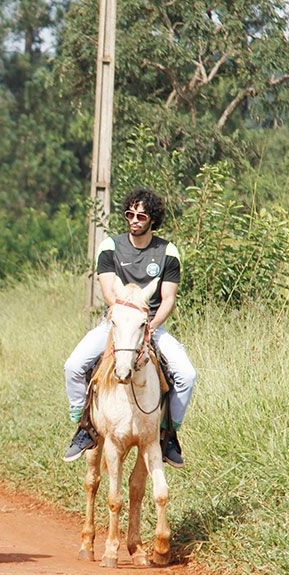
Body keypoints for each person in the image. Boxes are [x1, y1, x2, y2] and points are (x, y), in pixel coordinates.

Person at [62, 188, 196, 467]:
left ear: (152, 219)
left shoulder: (167, 252)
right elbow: (109, 290)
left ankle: (168, 434)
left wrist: (149, 326)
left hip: (150, 327)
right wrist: (123, 320)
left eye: (141, 215)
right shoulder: (110, 246)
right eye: (130, 214)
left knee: (186, 375)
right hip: (115, 325)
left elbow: (168, 298)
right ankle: (84, 426)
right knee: (73, 366)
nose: (134, 220)